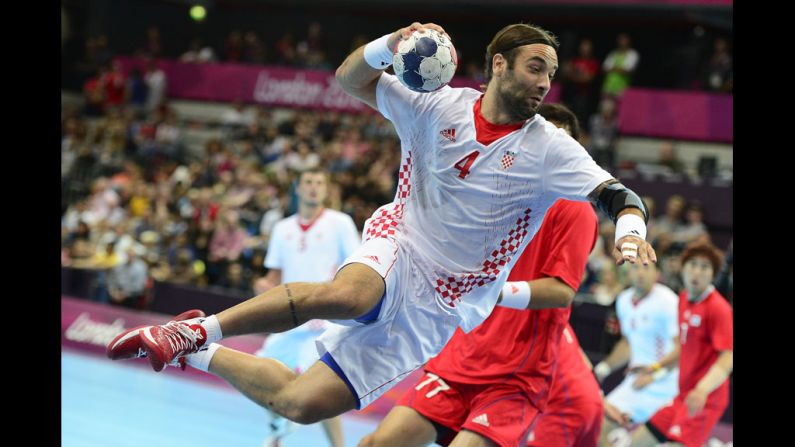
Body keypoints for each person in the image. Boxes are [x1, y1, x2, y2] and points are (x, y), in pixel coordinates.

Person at [108, 22, 655, 426]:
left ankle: (196, 348)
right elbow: (350, 80)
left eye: (552, 74)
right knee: (350, 294)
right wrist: (387, 46)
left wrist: (631, 234)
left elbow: (618, 196)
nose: (545, 83)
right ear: (499, 64)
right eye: (536, 67)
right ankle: (196, 329)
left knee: (302, 405)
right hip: (402, 240)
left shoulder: (549, 148)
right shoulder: (435, 105)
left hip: (443, 303)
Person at [359, 102, 599, 447]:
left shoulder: (574, 209)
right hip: (459, 359)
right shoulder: (498, 193)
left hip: (512, 376)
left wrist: (495, 291)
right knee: (376, 443)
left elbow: (562, 291)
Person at [253, 169, 360, 447]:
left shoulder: (341, 223)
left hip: (325, 323)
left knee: (320, 388)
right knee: (260, 371)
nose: (314, 188)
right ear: (297, 189)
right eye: (309, 183)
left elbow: (356, 269)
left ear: (327, 189)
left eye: (320, 182)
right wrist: (263, 285)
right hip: (290, 320)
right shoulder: (282, 228)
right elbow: (274, 276)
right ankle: (278, 428)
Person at [629, 242, 732, 447]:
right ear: (683, 268)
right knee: (636, 443)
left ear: (712, 274)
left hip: (705, 399)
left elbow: (728, 356)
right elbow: (682, 349)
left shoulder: (718, 308)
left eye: (705, 267)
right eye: (693, 264)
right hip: (683, 396)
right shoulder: (683, 299)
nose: (697, 272)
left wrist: (702, 389)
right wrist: (655, 368)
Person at [592, 262, 679, 446]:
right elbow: (628, 342)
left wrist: (655, 374)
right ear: (628, 273)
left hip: (667, 385)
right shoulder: (623, 300)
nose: (640, 272)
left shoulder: (668, 301)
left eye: (646, 267)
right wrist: (603, 368)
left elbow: (683, 348)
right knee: (597, 420)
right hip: (636, 384)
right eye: (635, 267)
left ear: (657, 273)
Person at [526, 323, 604, 447]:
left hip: (566, 403)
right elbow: (580, 354)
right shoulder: (560, 316)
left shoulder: (530, 315)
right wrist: (599, 394)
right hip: (591, 396)